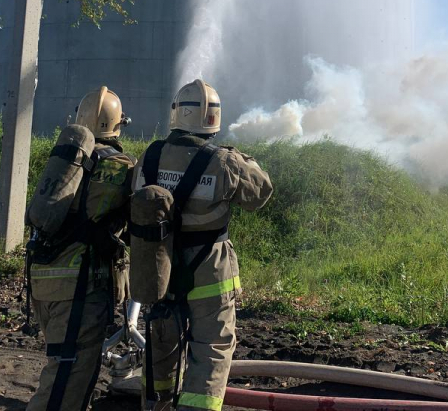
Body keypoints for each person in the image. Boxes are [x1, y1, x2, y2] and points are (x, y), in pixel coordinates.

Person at [132, 79, 273, 411]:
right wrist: (241, 158)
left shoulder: (149, 156)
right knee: (211, 348)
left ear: (176, 114)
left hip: (158, 265)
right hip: (209, 271)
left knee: (161, 343)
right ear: (214, 120)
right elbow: (262, 193)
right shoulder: (224, 161)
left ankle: (155, 406)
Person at [27, 86, 135, 411]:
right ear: (118, 124)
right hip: (80, 289)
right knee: (67, 379)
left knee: (64, 366)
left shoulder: (67, 160)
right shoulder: (124, 167)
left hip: (43, 281)